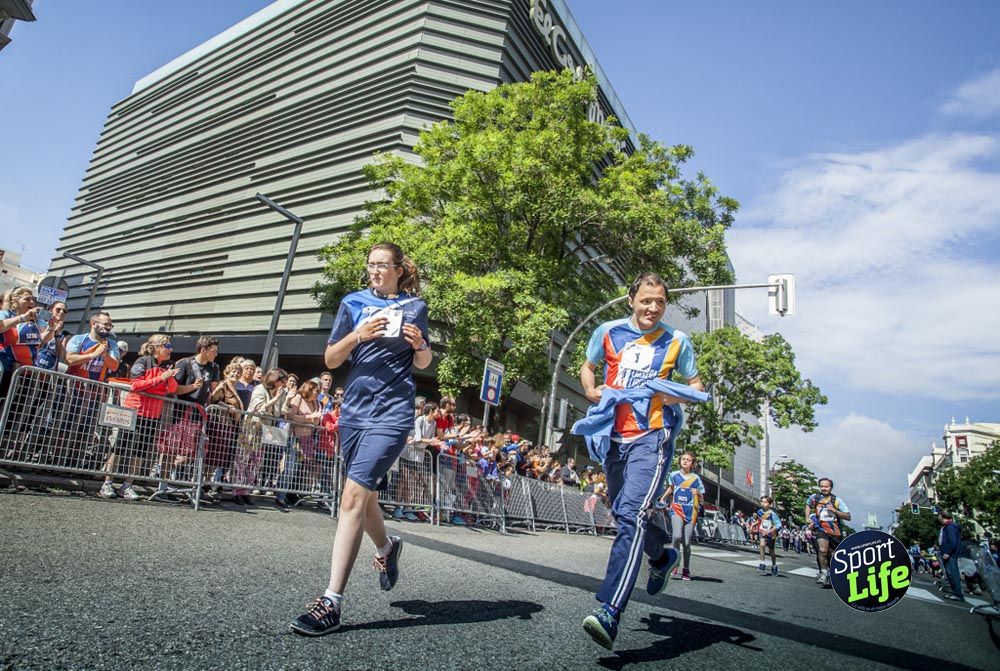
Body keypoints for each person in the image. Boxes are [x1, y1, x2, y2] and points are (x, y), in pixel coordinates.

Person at [291, 242, 431, 637]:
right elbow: (331, 360)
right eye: (370, 265)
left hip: (393, 412)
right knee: (363, 495)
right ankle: (387, 549)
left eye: (382, 265)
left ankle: (331, 602)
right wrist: (358, 334)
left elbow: (424, 360)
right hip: (354, 410)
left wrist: (418, 343)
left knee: (351, 496)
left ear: (399, 269)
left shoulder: (415, 307)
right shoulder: (352, 302)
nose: (374, 271)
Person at [578, 273, 704, 651]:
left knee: (632, 513)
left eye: (660, 302)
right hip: (613, 437)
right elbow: (587, 366)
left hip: (654, 436)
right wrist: (589, 388)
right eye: (646, 300)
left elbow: (696, 387)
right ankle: (662, 555)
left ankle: (609, 610)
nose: (653, 308)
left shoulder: (677, 341)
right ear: (631, 299)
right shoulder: (607, 331)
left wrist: (668, 397)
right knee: (622, 512)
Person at [105, 334, 178, 500]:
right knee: (119, 447)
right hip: (134, 410)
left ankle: (127, 485)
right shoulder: (143, 361)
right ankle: (107, 483)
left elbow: (172, 390)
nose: (170, 349)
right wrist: (161, 378)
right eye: (167, 346)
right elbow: (135, 385)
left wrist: (170, 377)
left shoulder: (167, 365)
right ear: (156, 348)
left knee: (140, 452)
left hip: (153, 414)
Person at [662, 451, 705, 581]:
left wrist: (697, 493)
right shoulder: (674, 475)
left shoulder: (696, 479)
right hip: (676, 509)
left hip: (691, 511)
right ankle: (674, 562)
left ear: (692, 463)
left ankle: (686, 569)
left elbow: (702, 498)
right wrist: (663, 499)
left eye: (688, 460)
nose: (685, 461)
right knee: (676, 536)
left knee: (686, 542)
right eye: (683, 459)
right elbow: (671, 488)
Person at [805, 477, 851, 588]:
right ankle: (823, 572)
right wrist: (807, 517)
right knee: (822, 550)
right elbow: (808, 505)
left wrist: (834, 511)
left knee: (833, 555)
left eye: (826, 486)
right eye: (822, 486)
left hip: (835, 532)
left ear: (831, 487)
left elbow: (848, 516)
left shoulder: (837, 500)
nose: (824, 488)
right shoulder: (815, 497)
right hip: (820, 528)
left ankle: (833, 574)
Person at [938, 510, 965, 602]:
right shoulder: (949, 527)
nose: (938, 518)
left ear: (942, 516)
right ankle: (956, 593)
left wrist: (948, 553)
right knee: (951, 574)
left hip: (950, 555)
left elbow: (952, 542)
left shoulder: (949, 527)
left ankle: (958, 594)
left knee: (952, 574)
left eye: (939, 516)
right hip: (950, 554)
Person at [756, 496, 782, 575]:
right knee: (762, 545)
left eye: (765, 502)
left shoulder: (772, 514)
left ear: (770, 504)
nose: (763, 504)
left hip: (771, 533)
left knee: (771, 551)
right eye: (762, 502)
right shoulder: (759, 511)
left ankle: (774, 565)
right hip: (762, 531)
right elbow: (760, 520)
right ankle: (762, 563)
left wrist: (769, 531)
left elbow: (778, 525)